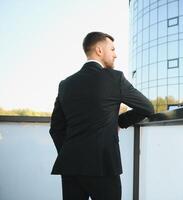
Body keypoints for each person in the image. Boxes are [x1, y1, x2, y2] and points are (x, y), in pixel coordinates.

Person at [49, 31, 154, 200]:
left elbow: (56, 129)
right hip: (103, 165)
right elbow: (147, 108)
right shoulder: (115, 78)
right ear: (99, 50)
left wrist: (70, 153)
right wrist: (119, 122)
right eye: (112, 49)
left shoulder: (65, 84)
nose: (115, 54)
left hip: (70, 166)